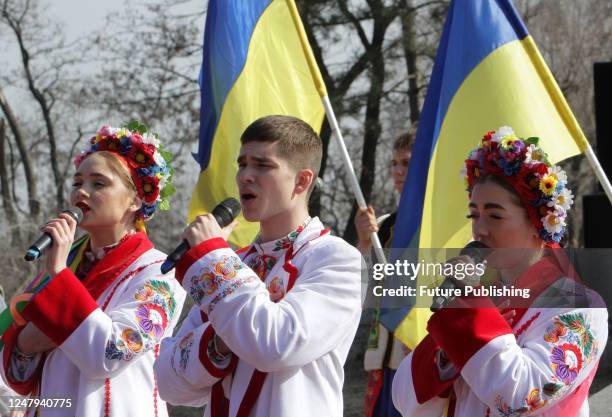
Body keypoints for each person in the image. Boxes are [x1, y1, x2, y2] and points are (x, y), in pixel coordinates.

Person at [391, 127, 608, 417]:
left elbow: (521, 398)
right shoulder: (481, 296)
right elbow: (403, 398)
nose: (479, 230)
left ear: (538, 224)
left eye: (494, 216)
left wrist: (468, 311)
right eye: (474, 215)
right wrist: (448, 353)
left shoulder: (580, 307)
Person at [154, 115, 363, 417]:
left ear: (302, 180)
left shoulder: (337, 259)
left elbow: (277, 344)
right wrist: (219, 340)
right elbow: (170, 384)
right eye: (242, 164)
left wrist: (213, 256)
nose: (245, 176)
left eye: (263, 165)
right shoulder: (234, 265)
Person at [0, 123, 186, 416]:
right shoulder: (71, 263)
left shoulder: (158, 271)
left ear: (136, 200)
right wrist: (25, 342)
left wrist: (59, 276)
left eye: (98, 184)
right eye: (77, 183)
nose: (81, 192)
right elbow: (15, 370)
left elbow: (110, 354)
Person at [354, 133, 414, 417]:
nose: (398, 171)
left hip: (418, 354)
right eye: (394, 163)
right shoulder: (384, 226)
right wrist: (364, 244)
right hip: (384, 357)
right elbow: (363, 292)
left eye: (407, 163)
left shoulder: (442, 225)